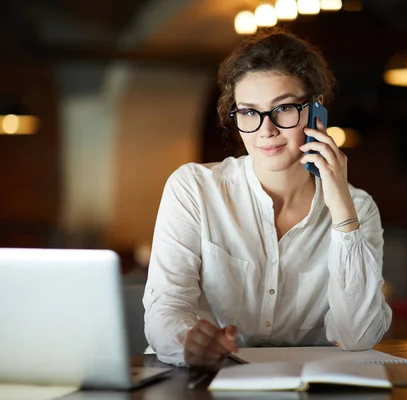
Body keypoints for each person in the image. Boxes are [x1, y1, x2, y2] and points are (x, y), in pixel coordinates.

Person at [143, 27, 392, 367]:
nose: (266, 129)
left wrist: (342, 214)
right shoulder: (194, 188)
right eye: (248, 112)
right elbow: (166, 306)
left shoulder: (358, 207)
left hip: (307, 386)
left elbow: (358, 336)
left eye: (284, 108)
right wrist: (188, 343)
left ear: (316, 110)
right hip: (204, 378)